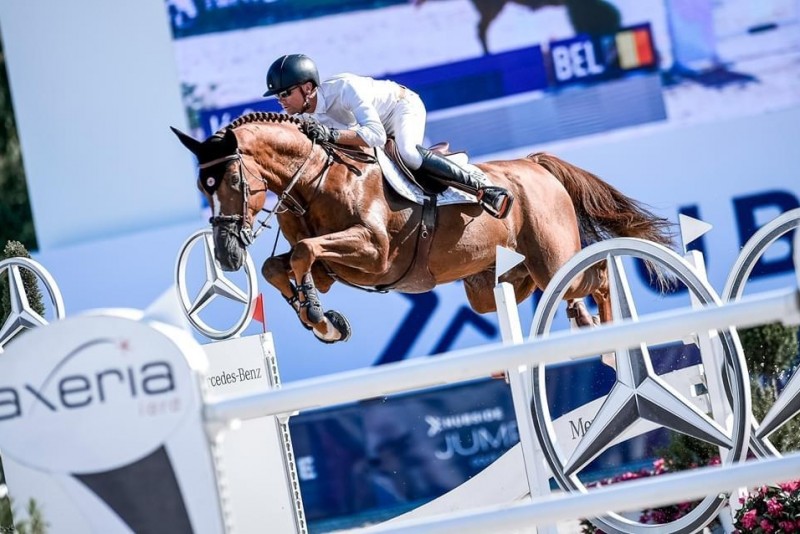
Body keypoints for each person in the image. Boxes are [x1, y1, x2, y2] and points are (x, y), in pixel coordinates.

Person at [263, 54, 514, 219]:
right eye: (277, 96)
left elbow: (376, 136)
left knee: (409, 153)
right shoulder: (302, 118)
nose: (281, 101)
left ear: (307, 88)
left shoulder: (345, 88)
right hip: (370, 128)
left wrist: (330, 134)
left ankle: (483, 189)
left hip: (400, 108)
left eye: (285, 93)